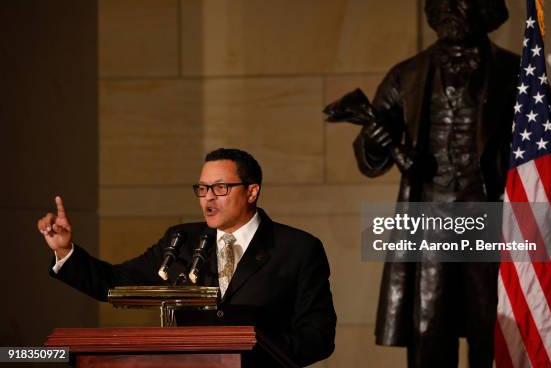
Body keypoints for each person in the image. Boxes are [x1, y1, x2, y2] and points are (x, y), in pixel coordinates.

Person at [353, 0, 551, 367]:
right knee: (429, 333)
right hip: (430, 221)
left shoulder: (515, 73)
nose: (448, 7)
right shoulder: (407, 75)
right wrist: (373, 140)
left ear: (483, 6)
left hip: (492, 221)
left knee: (493, 330)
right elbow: (370, 158)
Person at [37, 148, 336, 367]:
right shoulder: (181, 242)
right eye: (203, 188)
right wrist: (64, 250)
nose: (208, 197)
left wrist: (255, 350)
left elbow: (318, 336)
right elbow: (114, 283)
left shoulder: (297, 248)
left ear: (252, 191)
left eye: (220, 188)